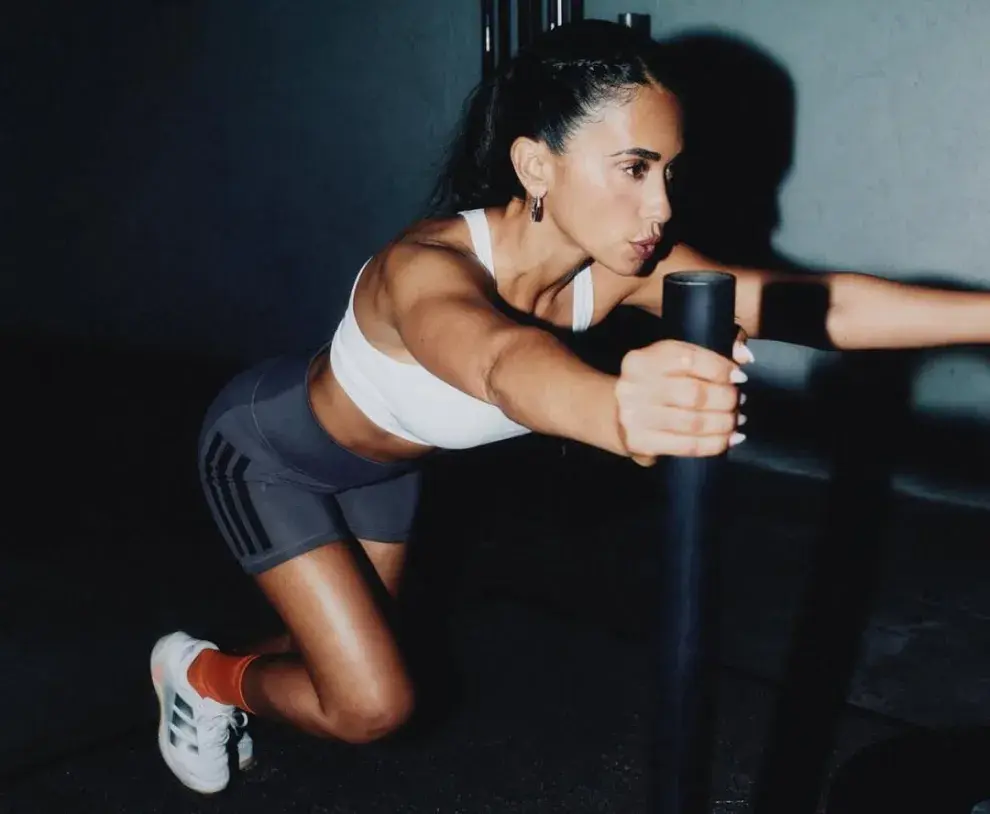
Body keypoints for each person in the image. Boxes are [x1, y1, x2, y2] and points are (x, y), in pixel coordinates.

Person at [150, 19, 990, 795]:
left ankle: (234, 668)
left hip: (387, 479)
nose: (659, 206)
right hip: (268, 456)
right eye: (632, 168)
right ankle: (197, 676)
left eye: (667, 171)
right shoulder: (426, 270)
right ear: (535, 165)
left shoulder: (614, 270)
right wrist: (616, 412)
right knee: (371, 705)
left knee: (330, 655)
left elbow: (820, 305)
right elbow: (500, 361)